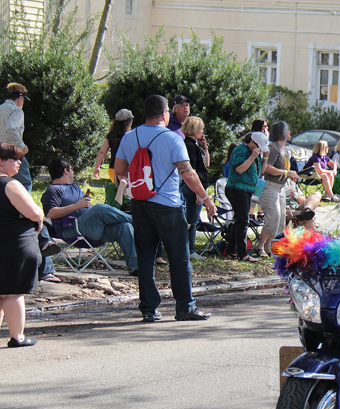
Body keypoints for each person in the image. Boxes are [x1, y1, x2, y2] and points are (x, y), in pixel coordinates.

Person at [114, 94, 216, 322]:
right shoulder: (172, 139)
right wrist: (206, 198)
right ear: (164, 114)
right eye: (168, 110)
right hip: (167, 205)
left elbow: (120, 169)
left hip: (139, 203)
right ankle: (184, 307)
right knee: (179, 258)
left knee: (145, 257)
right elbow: (188, 174)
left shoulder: (130, 137)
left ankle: (149, 309)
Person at [0, 83, 59, 282]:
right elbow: (11, 129)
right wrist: (22, 148)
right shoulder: (16, 110)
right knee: (27, 200)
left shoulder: (0, 108)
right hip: (9, 157)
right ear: (20, 98)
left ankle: (44, 247)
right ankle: (44, 245)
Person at [41, 157, 139, 275]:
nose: (73, 171)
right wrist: (76, 206)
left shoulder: (75, 187)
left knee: (125, 226)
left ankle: (135, 268)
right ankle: (140, 221)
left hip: (93, 231)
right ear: (66, 171)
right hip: (72, 230)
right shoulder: (53, 190)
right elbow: (50, 214)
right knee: (100, 208)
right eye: (71, 168)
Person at [0, 143, 42, 347]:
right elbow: (33, 212)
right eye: (14, 158)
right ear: (1, 161)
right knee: (12, 291)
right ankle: (17, 337)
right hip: (12, 243)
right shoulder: (10, 184)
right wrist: (41, 217)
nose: (19, 162)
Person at [255, 121, 299, 257]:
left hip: (280, 188)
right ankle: (260, 246)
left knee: (280, 220)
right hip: (269, 187)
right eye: (288, 130)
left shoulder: (285, 149)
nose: (290, 132)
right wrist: (286, 173)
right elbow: (267, 168)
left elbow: (282, 169)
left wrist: (290, 174)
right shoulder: (273, 147)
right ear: (281, 132)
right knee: (273, 217)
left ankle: (269, 248)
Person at [225, 131, 267, 262]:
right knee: (243, 220)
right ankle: (243, 254)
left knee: (239, 220)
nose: (259, 150)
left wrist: (264, 157)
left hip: (248, 190)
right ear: (252, 142)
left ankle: (231, 251)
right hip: (237, 189)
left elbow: (261, 171)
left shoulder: (256, 153)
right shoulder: (240, 150)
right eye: (258, 146)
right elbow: (239, 169)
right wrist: (252, 157)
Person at [180, 116, 210, 262]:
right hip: (194, 189)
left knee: (192, 219)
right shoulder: (189, 146)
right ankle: (189, 250)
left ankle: (188, 249)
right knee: (191, 220)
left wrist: (205, 148)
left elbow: (206, 164)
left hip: (198, 187)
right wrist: (198, 191)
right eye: (200, 128)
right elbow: (191, 170)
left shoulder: (194, 145)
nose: (202, 131)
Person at [93, 109, 134, 181]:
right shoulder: (131, 135)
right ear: (129, 122)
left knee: (117, 190)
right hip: (127, 170)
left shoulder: (111, 135)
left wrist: (97, 166)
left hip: (113, 170)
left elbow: (102, 151)